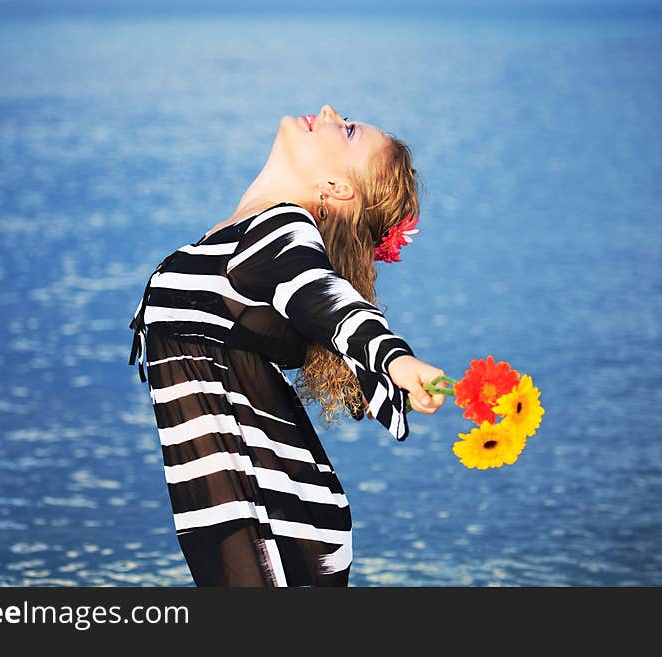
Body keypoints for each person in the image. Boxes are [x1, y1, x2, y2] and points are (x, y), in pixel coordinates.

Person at [128, 104, 446, 587]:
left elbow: (325, 298)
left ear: (337, 188)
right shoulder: (241, 235)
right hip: (252, 512)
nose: (329, 112)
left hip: (267, 520)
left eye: (350, 130)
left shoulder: (281, 229)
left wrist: (394, 358)